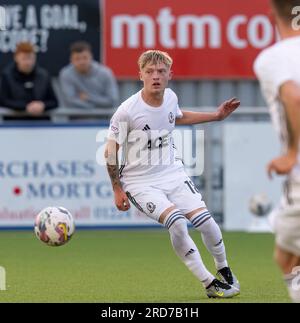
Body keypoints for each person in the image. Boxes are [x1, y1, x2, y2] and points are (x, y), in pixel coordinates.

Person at [105, 50, 240, 299]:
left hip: (173, 174)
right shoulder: (127, 111)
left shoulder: (170, 97)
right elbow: (110, 151)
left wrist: (216, 115)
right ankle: (209, 282)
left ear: (169, 75)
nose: (155, 76)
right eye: (150, 72)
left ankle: (223, 268)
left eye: (161, 71)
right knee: (177, 222)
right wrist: (117, 188)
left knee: (207, 223)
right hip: (140, 183)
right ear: (140, 75)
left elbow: (178, 116)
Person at [254, 0, 300, 303]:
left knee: (287, 257)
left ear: (272, 16)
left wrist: (292, 152)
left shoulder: (273, 58)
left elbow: (293, 97)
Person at [0, 42, 58, 115]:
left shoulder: (44, 75)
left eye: (30, 58)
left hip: (41, 120)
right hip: (14, 121)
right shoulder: (7, 75)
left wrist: (42, 105)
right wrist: (25, 106)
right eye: (24, 58)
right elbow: (3, 101)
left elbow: (54, 102)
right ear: (16, 58)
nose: (28, 62)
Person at [59, 41, 119, 109]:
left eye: (85, 58)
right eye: (77, 59)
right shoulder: (66, 74)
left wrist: (89, 98)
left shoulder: (105, 73)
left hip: (102, 118)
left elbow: (112, 100)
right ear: (71, 60)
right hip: (77, 118)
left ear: (91, 57)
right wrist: (94, 107)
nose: (81, 62)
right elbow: (69, 101)